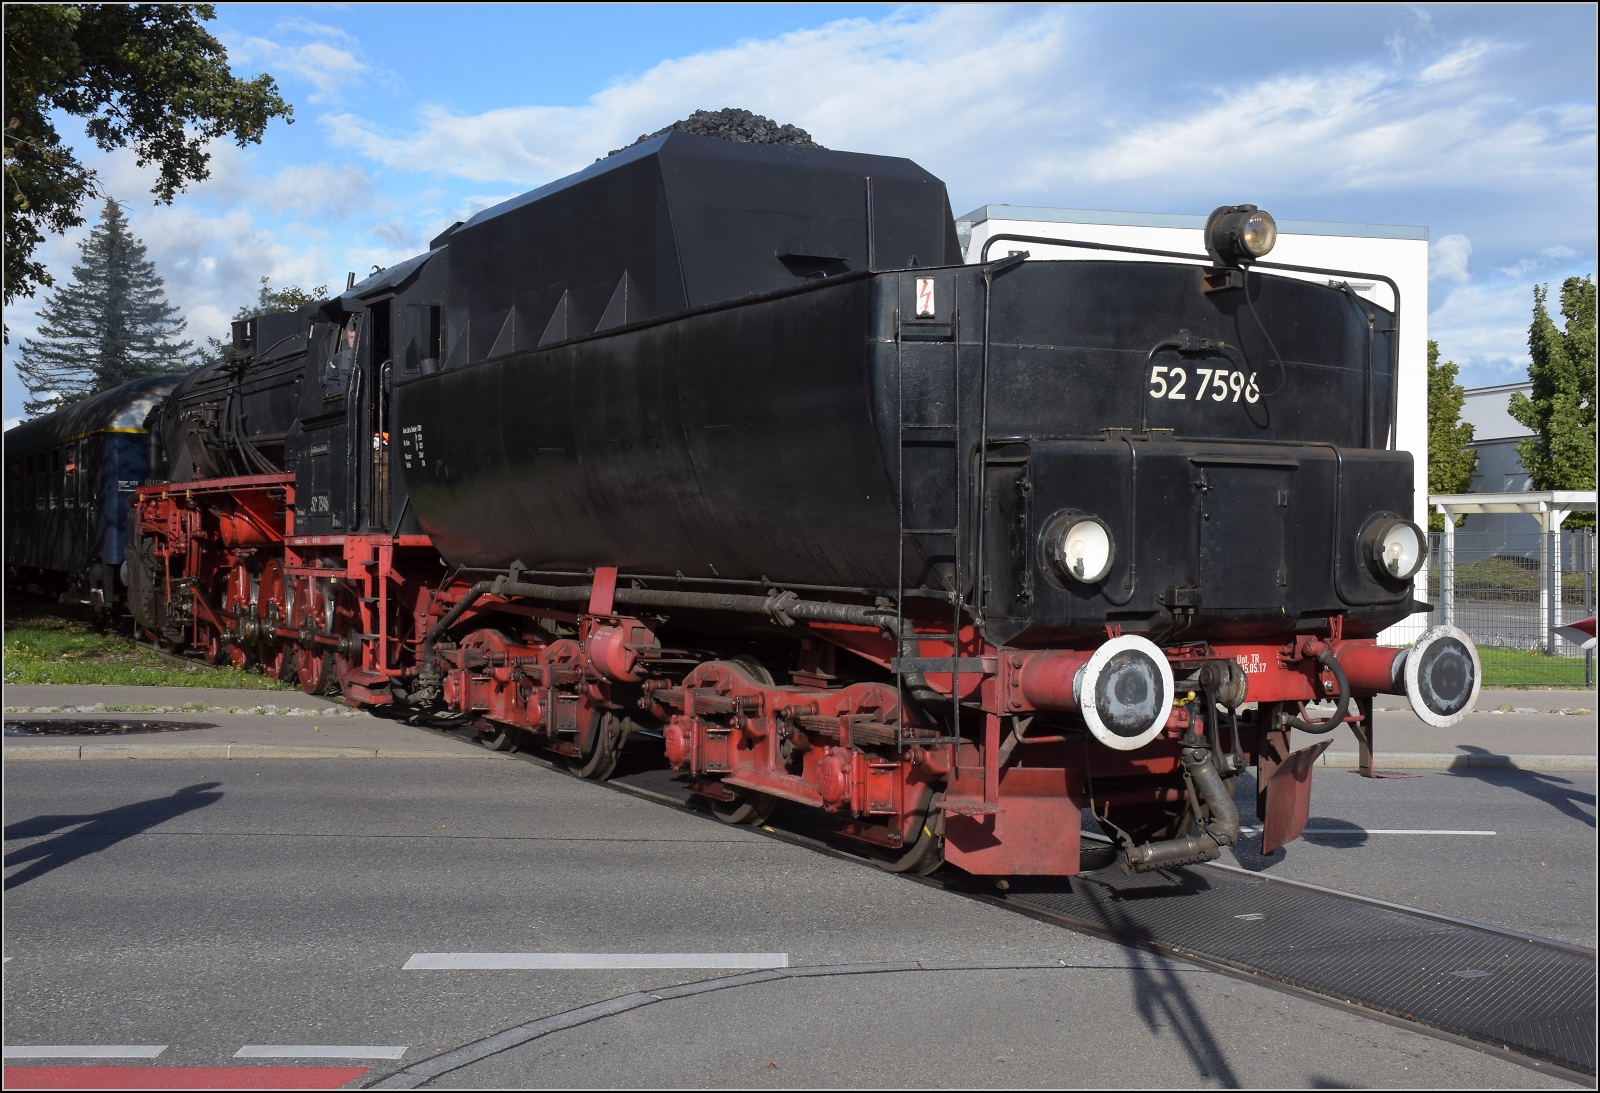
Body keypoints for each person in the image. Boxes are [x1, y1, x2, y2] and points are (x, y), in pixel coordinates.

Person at [324, 318, 358, 396]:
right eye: (351, 337)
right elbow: (329, 384)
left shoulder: (377, 358)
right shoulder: (339, 358)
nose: (353, 341)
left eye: (356, 337)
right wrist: (344, 394)